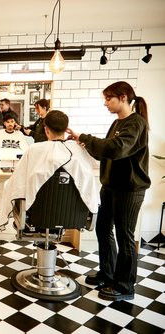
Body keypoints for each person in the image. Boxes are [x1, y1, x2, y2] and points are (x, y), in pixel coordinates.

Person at [67, 81, 150, 302]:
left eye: (108, 99)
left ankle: (124, 286)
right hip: (111, 186)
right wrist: (82, 144)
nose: (106, 103)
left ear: (123, 97)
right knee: (103, 228)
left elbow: (117, 148)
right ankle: (108, 273)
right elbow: (107, 152)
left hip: (130, 189)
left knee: (125, 236)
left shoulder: (136, 123)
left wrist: (85, 137)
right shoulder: (116, 123)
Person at [0, 110, 99, 230]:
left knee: (7, 185)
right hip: (73, 217)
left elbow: (16, 184)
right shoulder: (79, 150)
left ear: (46, 130)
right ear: (66, 129)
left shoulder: (34, 150)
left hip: (36, 217)